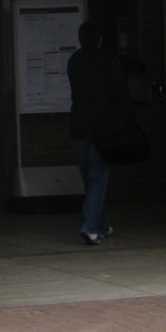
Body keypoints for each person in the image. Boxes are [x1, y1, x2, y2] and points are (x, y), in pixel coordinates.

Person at [66, 21, 128, 245]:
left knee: (91, 179)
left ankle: (101, 226)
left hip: (79, 126)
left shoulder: (74, 60)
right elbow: (118, 93)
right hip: (102, 128)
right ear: (100, 39)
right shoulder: (109, 60)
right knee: (98, 178)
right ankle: (90, 227)